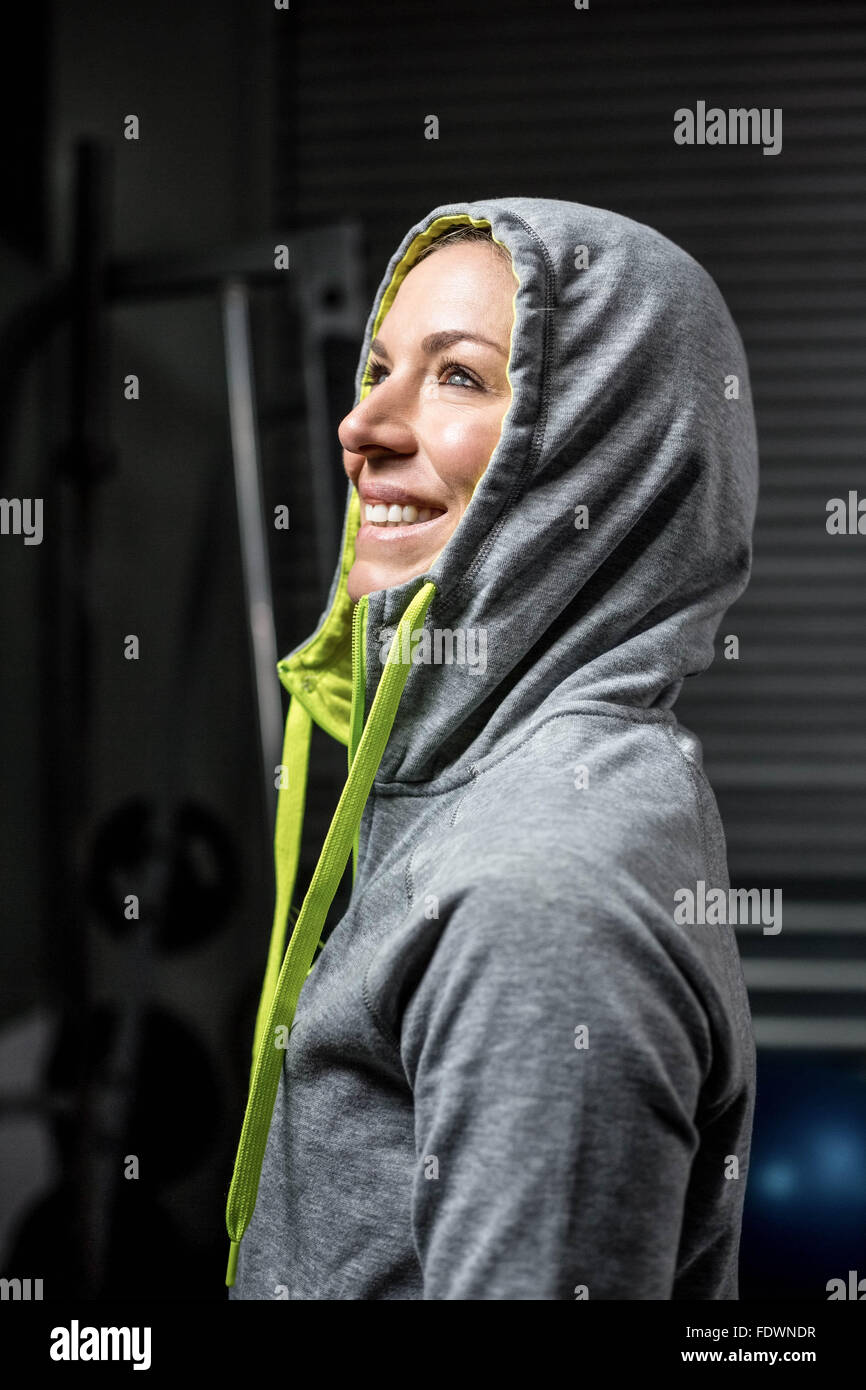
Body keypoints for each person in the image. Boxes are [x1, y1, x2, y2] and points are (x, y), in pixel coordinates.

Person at [225, 196, 759, 1300]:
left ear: (597, 459)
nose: (361, 424)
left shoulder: (537, 898)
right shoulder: (504, 780)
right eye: (379, 367)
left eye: (458, 376)